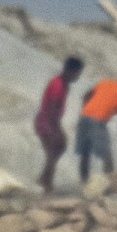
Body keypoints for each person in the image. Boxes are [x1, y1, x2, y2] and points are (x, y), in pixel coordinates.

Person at [75, 75, 117, 183]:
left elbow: (86, 96)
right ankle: (109, 184)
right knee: (107, 156)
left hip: (83, 117)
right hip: (98, 122)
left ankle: (84, 183)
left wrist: (87, 110)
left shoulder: (106, 82)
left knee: (85, 154)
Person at [35, 56, 84, 193]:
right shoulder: (57, 85)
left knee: (58, 149)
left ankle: (44, 179)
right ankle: (46, 184)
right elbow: (51, 109)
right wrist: (54, 130)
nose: (78, 77)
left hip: (50, 122)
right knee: (53, 151)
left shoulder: (63, 84)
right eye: (78, 74)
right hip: (46, 123)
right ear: (71, 71)